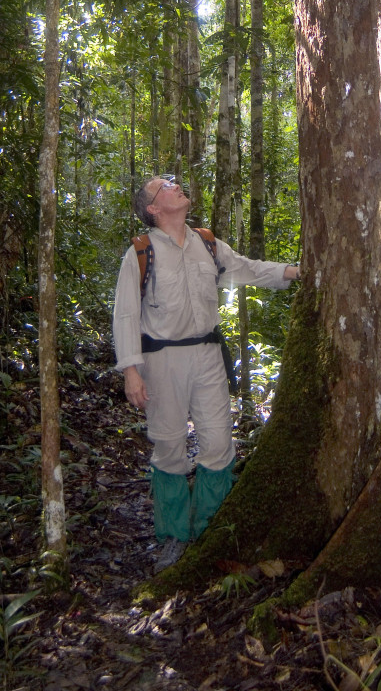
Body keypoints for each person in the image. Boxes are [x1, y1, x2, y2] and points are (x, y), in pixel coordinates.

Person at [112, 175, 300, 572]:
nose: (176, 185)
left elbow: (245, 269)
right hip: (162, 361)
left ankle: (208, 528)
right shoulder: (141, 252)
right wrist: (132, 371)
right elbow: (126, 313)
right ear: (153, 209)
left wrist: (293, 272)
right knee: (169, 446)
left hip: (209, 354)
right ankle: (174, 537)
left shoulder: (206, 243)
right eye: (165, 185)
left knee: (218, 441)